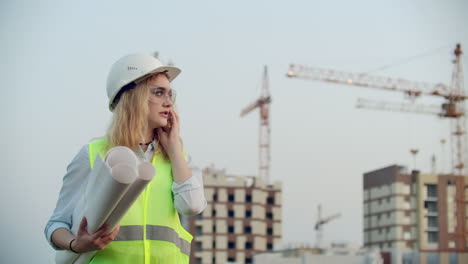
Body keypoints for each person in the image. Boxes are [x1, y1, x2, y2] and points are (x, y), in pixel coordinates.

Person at [45, 53, 207, 263]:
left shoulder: (177, 158)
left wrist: (175, 149)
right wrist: (76, 244)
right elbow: (56, 224)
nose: (169, 103)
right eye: (159, 93)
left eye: (170, 94)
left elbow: (192, 206)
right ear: (132, 97)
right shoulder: (94, 154)